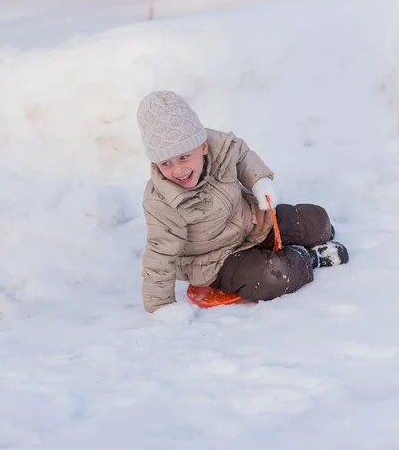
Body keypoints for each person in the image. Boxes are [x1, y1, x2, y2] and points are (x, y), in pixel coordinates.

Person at [137, 90, 349, 313]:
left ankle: (301, 240)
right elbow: (159, 256)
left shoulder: (220, 149)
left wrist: (260, 182)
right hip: (217, 261)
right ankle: (309, 258)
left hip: (253, 221)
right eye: (166, 163)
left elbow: (242, 157)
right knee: (274, 275)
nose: (178, 170)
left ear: (203, 147)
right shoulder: (161, 201)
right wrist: (161, 307)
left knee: (317, 221)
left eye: (184, 157)